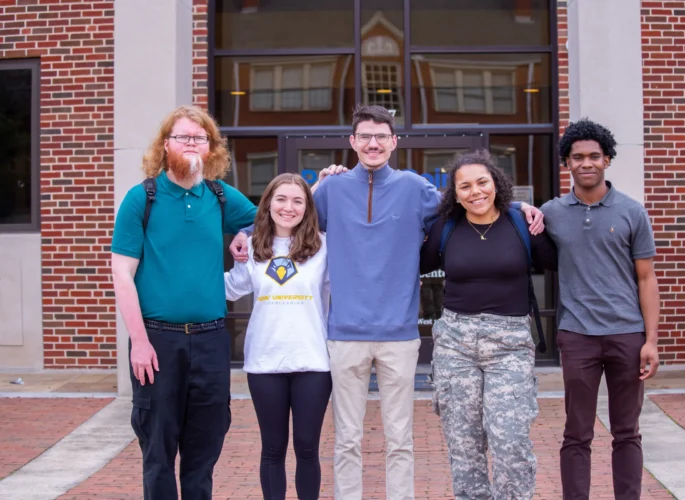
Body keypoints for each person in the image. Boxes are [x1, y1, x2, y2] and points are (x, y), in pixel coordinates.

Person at [230, 105, 544, 500]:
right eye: (365, 136)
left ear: (394, 142)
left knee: (400, 440)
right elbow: (286, 216)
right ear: (353, 142)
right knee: (346, 439)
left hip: (399, 336)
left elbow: (471, 201)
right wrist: (245, 232)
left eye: (381, 136)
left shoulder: (415, 188)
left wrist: (518, 207)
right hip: (344, 336)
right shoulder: (331, 189)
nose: (373, 143)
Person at [111, 105, 258, 500]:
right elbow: (122, 274)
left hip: (211, 341)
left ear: (211, 149)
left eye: (200, 138)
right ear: (165, 145)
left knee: (204, 449)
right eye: (183, 137)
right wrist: (139, 342)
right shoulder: (142, 199)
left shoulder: (220, 196)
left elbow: (271, 219)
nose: (192, 144)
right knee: (158, 451)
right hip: (158, 342)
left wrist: (243, 231)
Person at [420, 149, 557, 499]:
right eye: (464, 186)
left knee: (510, 440)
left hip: (509, 344)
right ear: (454, 192)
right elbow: (416, 265)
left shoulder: (520, 222)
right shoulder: (445, 227)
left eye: (482, 182)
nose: (475, 191)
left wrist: (532, 212)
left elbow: (555, 261)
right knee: (465, 447)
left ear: (496, 183)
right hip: (455, 344)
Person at [542, 119, 660, 500]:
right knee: (576, 432)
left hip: (627, 334)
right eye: (577, 157)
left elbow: (646, 279)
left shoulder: (631, 211)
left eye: (594, 156)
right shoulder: (551, 213)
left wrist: (651, 340)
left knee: (627, 430)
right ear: (567, 163)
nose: (586, 163)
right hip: (577, 336)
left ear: (607, 159)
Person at [224, 173, 331, 500]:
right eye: (281, 199)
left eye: (298, 200)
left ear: (307, 207)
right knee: (272, 448)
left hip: (312, 361)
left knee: (307, 448)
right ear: (268, 203)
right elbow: (229, 289)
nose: (289, 207)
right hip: (264, 362)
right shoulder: (253, 246)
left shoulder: (325, 246)